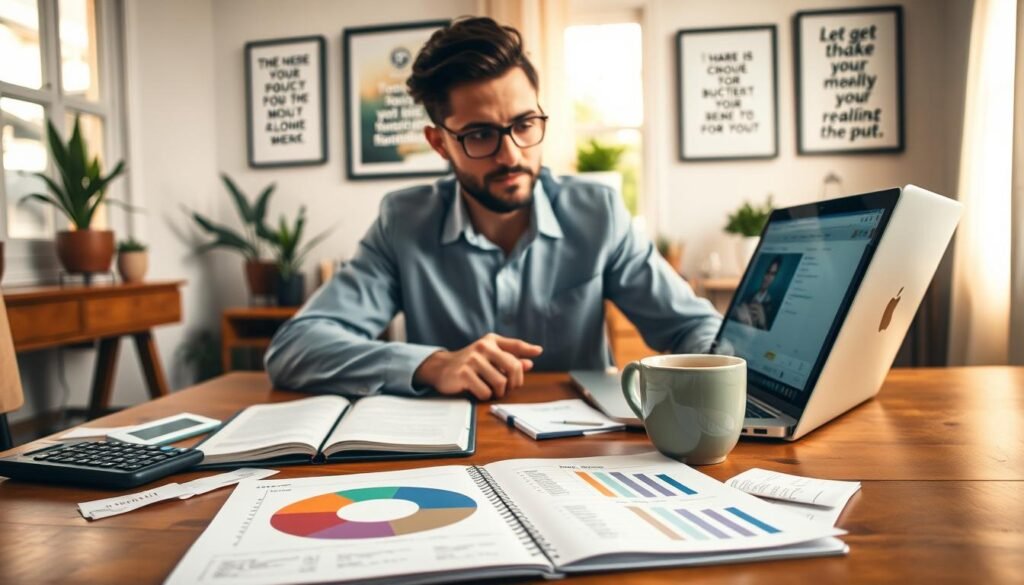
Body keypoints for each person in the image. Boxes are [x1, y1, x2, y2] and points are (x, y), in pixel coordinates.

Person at [265, 17, 721, 400]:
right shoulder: (403, 223)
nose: (511, 156)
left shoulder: (597, 213)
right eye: (480, 134)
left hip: (581, 461)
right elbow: (296, 347)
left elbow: (692, 329)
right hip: (449, 462)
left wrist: (734, 372)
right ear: (440, 143)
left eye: (524, 125)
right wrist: (432, 364)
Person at [734, 256, 781, 330]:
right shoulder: (749, 296)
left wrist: (763, 323)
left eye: (773, 274)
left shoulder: (773, 306)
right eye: (767, 272)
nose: (768, 277)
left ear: (775, 278)